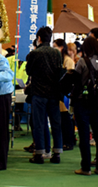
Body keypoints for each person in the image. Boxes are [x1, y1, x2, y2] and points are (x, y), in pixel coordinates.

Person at [71, 38, 98, 176]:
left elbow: (75, 81)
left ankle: (86, 167)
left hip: (83, 102)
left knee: (84, 135)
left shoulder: (83, 61)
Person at [26, 26, 65, 164]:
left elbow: (28, 71)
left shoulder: (35, 54)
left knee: (39, 124)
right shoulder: (56, 54)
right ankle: (57, 153)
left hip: (38, 93)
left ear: (39, 39)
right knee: (55, 124)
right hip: (53, 94)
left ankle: (39, 154)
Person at [53, 39, 76, 150]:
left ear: (62, 47)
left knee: (66, 119)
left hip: (66, 94)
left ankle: (69, 141)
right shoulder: (59, 59)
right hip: (59, 92)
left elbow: (70, 77)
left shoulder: (68, 61)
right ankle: (64, 141)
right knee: (62, 119)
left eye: (55, 46)